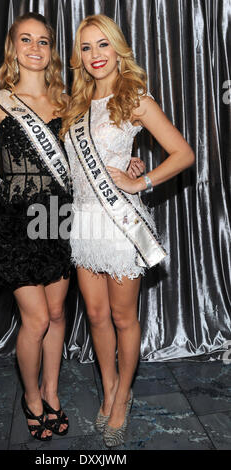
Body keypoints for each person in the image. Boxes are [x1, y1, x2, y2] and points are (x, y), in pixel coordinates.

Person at [61, 14, 195, 447]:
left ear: (118, 50)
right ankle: (110, 387)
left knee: (122, 317)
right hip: (84, 224)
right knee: (96, 316)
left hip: (121, 224)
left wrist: (140, 180)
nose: (95, 55)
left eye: (103, 45)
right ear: (78, 56)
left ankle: (121, 400)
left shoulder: (133, 96)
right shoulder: (75, 105)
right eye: (86, 47)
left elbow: (183, 153)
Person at [0, 12, 73, 441]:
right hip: (12, 223)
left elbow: (87, 161)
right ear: (13, 48)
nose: (35, 48)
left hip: (58, 220)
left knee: (57, 314)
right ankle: (31, 396)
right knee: (35, 320)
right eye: (25, 40)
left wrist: (132, 164)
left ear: (51, 51)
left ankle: (52, 388)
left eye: (43, 41)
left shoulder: (67, 103)